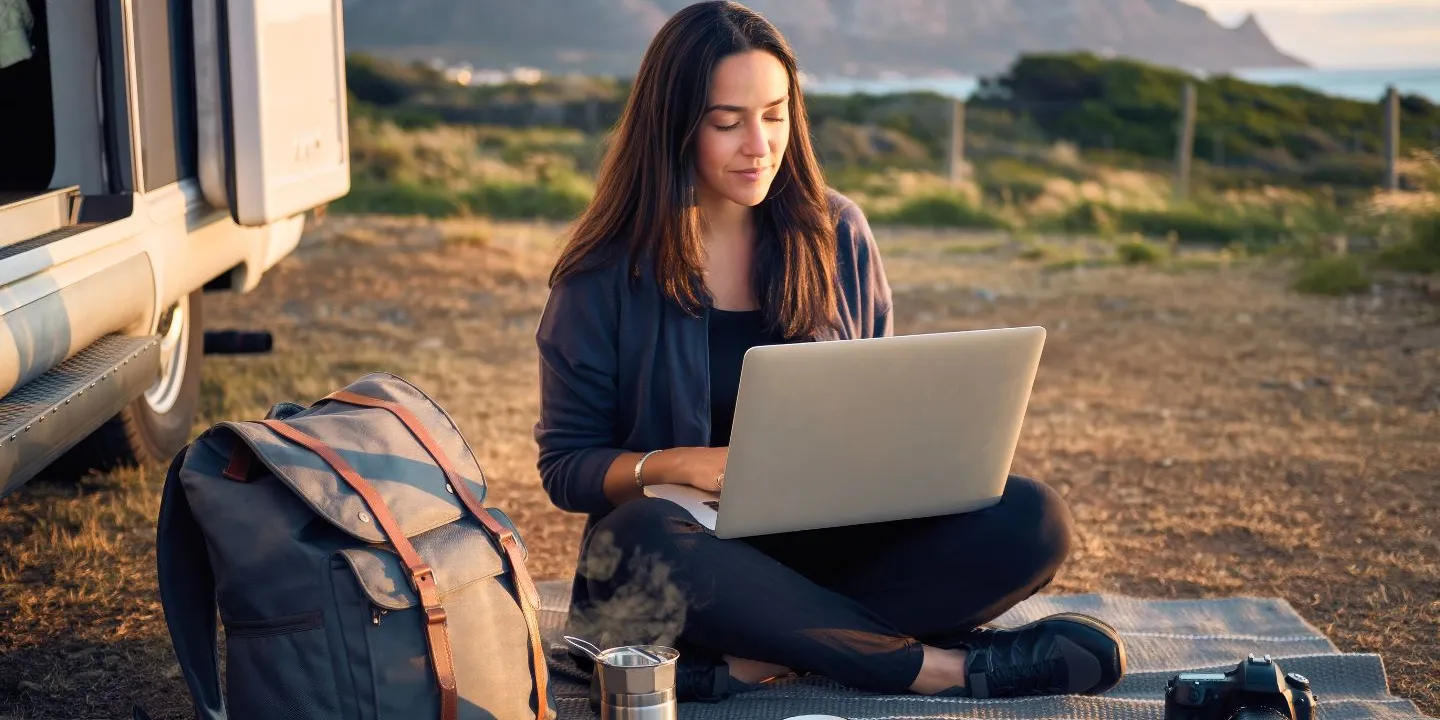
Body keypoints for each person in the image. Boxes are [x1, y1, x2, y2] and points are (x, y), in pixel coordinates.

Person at [533, 0, 1126, 704]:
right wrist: (675, 466)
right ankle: (939, 669)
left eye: (776, 114)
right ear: (675, 126)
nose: (760, 144)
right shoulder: (605, 272)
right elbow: (566, 467)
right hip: (687, 562)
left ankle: (750, 661)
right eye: (728, 122)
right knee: (640, 534)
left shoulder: (836, 231)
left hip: (827, 549)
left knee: (1033, 518)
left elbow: (877, 401)